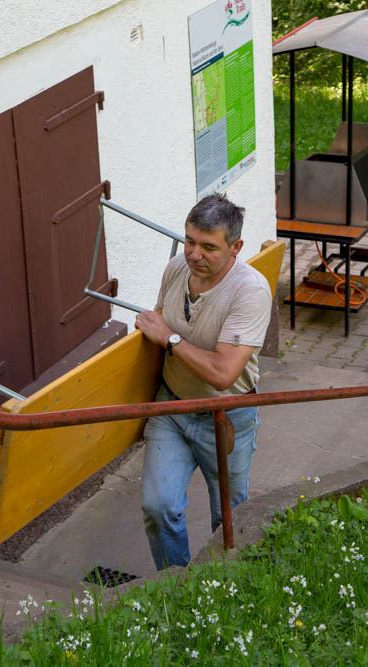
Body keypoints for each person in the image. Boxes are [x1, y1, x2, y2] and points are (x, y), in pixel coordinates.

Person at [134, 193, 272, 570]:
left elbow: (223, 373)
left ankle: (225, 586)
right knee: (158, 507)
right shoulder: (177, 268)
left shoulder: (251, 291)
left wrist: (171, 338)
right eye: (189, 241)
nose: (194, 254)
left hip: (225, 416)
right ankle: (176, 589)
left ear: (235, 247)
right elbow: (160, 323)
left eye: (209, 247)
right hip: (172, 406)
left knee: (228, 517)